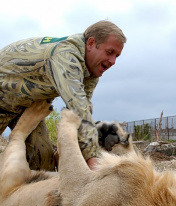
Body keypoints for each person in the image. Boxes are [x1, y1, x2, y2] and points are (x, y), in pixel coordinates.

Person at [0, 20, 126, 171]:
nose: (112, 61)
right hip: (3, 100)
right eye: (109, 52)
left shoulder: (91, 72)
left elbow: (80, 113)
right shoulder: (66, 56)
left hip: (27, 107)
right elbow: (78, 109)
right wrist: (94, 162)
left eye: (117, 56)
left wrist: (86, 156)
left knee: (43, 161)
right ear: (91, 43)